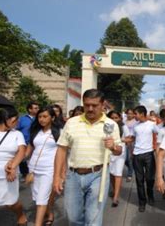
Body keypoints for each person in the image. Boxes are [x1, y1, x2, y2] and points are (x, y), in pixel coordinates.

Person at [52, 89, 122, 226]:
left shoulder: (110, 125)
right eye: (87, 105)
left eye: (94, 105)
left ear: (103, 105)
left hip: (98, 175)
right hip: (73, 176)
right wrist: (57, 177)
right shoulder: (72, 123)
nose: (90, 109)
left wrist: (113, 146)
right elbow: (61, 149)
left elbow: (119, 151)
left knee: (93, 219)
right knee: (73, 217)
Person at [26, 106, 61, 226]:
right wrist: (13, 160)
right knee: (37, 197)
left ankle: (38, 224)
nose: (42, 119)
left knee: (41, 198)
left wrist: (61, 173)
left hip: (49, 169)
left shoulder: (58, 132)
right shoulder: (35, 131)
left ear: (52, 117)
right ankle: (49, 213)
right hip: (33, 169)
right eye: (40, 116)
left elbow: (63, 153)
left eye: (45, 116)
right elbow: (28, 150)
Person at [131, 105, 159, 212]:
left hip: (149, 154)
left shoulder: (152, 124)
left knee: (150, 178)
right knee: (139, 180)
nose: (134, 116)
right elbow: (133, 138)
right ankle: (142, 202)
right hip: (137, 155)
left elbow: (160, 132)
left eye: (136, 113)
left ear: (142, 114)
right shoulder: (135, 126)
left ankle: (150, 195)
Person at [107, 110, 131, 208]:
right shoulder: (107, 126)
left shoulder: (123, 127)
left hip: (120, 152)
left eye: (116, 117)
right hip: (109, 152)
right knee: (111, 173)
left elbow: (129, 139)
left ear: (120, 118)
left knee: (118, 173)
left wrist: (119, 140)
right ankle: (114, 189)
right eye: (112, 117)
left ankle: (116, 197)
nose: (114, 120)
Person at [16, 101, 39, 179]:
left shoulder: (40, 118)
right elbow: (16, 129)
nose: (37, 109)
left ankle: (34, 173)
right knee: (23, 159)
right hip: (25, 143)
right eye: (35, 108)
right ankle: (24, 174)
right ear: (30, 109)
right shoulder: (22, 119)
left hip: (36, 143)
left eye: (38, 108)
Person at [124, 108, 137, 182]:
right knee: (125, 160)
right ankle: (132, 168)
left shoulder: (136, 122)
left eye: (131, 113)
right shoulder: (124, 121)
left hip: (132, 141)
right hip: (124, 141)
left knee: (129, 159)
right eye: (128, 113)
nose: (129, 115)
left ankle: (129, 174)